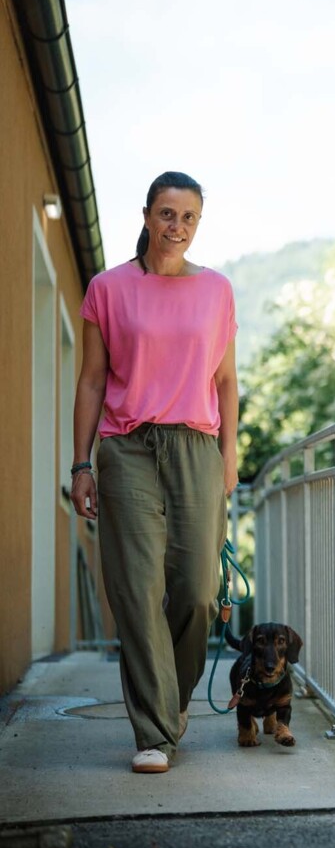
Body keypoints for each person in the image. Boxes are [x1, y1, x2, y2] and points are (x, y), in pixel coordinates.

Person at [71, 171, 239, 774]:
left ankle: (173, 702)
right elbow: (92, 379)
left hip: (197, 445)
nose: (178, 228)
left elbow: (225, 381)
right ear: (146, 216)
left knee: (195, 590)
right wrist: (81, 463)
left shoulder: (217, 290)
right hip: (127, 446)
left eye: (189, 217)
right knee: (137, 590)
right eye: (168, 214)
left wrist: (230, 454)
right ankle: (154, 733)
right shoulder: (108, 288)